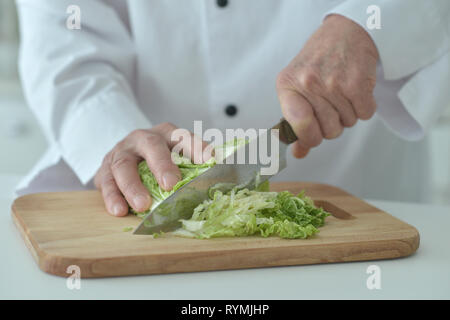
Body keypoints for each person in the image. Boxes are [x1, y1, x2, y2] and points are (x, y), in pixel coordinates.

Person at [15, 0, 450, 216]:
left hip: (358, 193)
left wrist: (370, 20)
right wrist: (107, 132)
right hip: (142, 205)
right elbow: (64, 35)